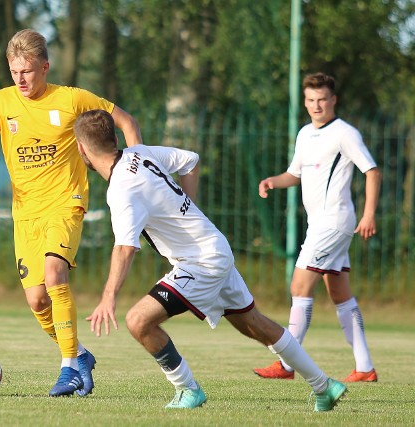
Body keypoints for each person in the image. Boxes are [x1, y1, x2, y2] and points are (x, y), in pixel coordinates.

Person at [73, 109, 347, 411]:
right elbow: (190, 161)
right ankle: (325, 386)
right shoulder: (140, 153)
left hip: (200, 261)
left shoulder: (121, 190)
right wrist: (191, 209)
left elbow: (125, 247)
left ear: (82, 149)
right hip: (214, 247)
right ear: (114, 137)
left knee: (139, 321)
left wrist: (108, 297)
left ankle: (188, 390)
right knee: (254, 325)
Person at [0, 29, 142, 397]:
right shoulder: (0, 103)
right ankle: (79, 355)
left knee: (54, 273)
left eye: (28, 71)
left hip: (66, 203)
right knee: (36, 300)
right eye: (14, 71)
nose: (20, 79)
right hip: (25, 214)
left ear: (45, 67)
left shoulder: (71, 99)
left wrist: (135, 168)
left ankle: (68, 370)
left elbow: (126, 122)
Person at [253, 72, 381, 383]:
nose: (316, 105)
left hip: (334, 221)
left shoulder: (344, 133)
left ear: (333, 99)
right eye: (310, 100)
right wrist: (273, 181)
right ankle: (364, 368)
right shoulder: (304, 134)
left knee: (299, 286)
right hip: (320, 224)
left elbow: (372, 171)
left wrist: (368, 215)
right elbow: (294, 174)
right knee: (339, 292)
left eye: (321, 99)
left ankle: (286, 364)